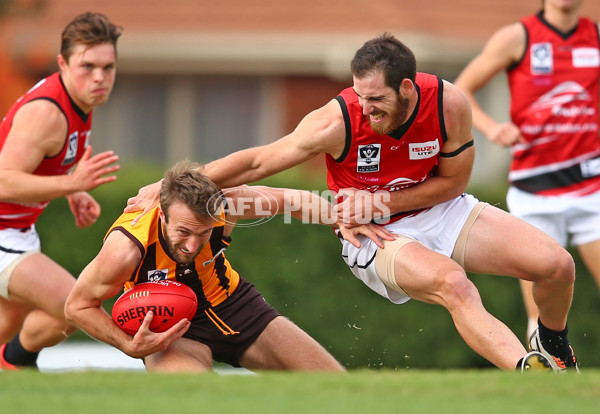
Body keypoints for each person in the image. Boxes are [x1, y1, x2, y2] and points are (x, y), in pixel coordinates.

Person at [126, 33, 578, 372]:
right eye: (360, 96)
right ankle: (528, 373)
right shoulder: (336, 120)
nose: (365, 108)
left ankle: (555, 350)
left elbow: (452, 185)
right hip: (371, 234)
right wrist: (172, 185)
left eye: (376, 99)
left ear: (407, 88)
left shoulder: (448, 104)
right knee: (454, 285)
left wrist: (382, 199)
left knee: (557, 265)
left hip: (436, 209)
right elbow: (258, 162)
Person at [65, 160, 392, 373]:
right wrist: (127, 344)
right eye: (183, 232)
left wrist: (339, 219)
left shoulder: (227, 205)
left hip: (235, 305)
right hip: (171, 326)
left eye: (203, 232)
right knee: (198, 401)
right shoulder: (125, 250)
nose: (193, 245)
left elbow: (288, 200)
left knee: (335, 385)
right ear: (162, 215)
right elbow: (77, 306)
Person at [454, 0, 600, 344]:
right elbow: (460, 91)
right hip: (534, 192)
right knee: (542, 313)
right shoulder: (517, 37)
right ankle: (547, 378)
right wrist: (492, 129)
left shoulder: (595, 36)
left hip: (591, 189)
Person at [0, 12, 122, 370]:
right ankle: (14, 365)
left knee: (11, 323)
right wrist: (72, 183)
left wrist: (73, 190)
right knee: (77, 307)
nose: (99, 77)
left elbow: (51, 156)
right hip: (3, 235)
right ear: (62, 64)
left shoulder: (81, 100)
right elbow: (3, 180)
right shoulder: (47, 113)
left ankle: (10, 368)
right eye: (88, 66)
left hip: (18, 233)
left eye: (108, 67)